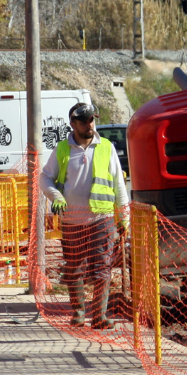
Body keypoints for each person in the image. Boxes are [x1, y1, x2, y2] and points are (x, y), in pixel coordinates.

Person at [40, 102, 129, 329]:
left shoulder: (107, 147)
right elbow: (45, 178)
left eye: (92, 119)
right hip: (72, 221)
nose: (89, 124)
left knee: (103, 268)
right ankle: (79, 313)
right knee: (74, 268)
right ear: (73, 124)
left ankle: (99, 316)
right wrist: (56, 197)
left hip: (103, 218)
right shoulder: (62, 149)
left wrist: (124, 219)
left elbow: (119, 186)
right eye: (84, 121)